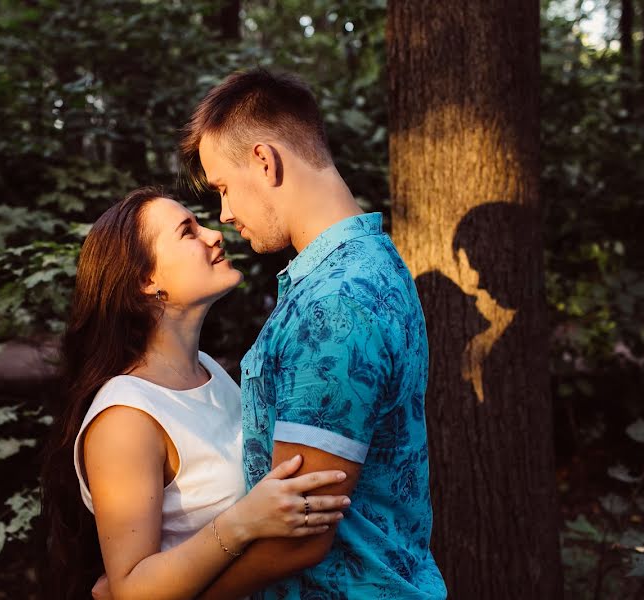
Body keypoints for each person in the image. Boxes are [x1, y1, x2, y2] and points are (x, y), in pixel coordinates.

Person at [175, 68, 449, 599]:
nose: (225, 213)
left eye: (224, 188)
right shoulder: (374, 260)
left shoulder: (335, 304)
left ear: (264, 160)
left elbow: (300, 537)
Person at [39, 186, 351, 600]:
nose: (214, 234)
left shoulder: (208, 371)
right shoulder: (125, 419)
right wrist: (244, 521)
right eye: (187, 231)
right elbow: (129, 590)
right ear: (145, 280)